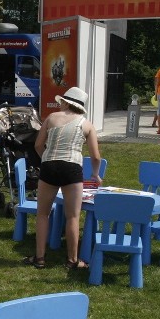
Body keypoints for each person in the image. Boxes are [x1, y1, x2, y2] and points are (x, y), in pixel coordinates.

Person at [25, 86, 101, 270]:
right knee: (73, 216)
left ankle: (40, 258)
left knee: (43, 214)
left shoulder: (51, 118)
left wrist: (47, 158)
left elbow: (38, 144)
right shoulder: (86, 124)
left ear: (66, 102)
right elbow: (96, 156)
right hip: (72, 167)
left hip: (49, 166)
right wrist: (95, 174)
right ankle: (72, 260)